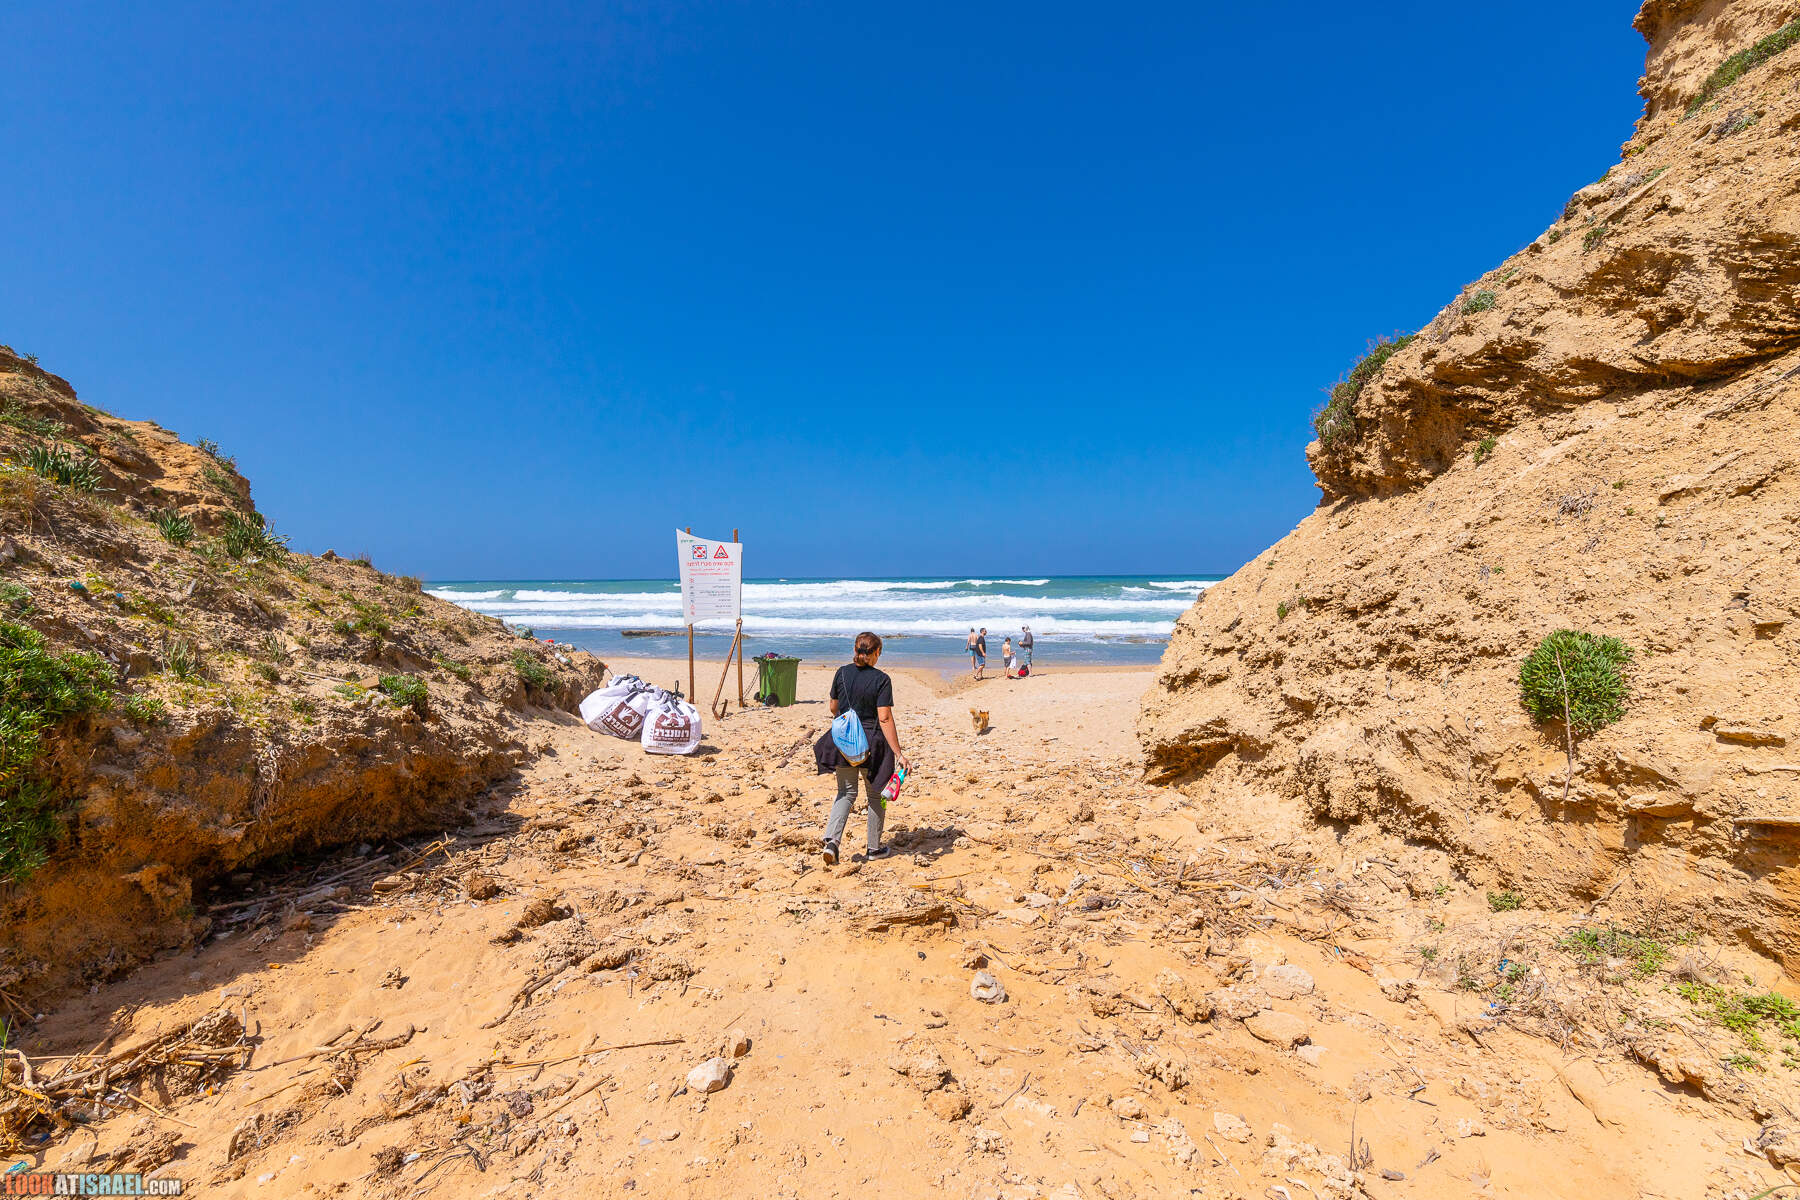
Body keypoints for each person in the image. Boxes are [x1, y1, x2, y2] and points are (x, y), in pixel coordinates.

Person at [819, 631, 910, 865]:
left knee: (846, 793)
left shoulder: (841, 673)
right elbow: (885, 718)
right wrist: (898, 754)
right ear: (877, 653)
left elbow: (833, 707)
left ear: (855, 650)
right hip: (872, 744)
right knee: (877, 796)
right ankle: (874, 848)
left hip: (844, 743)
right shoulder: (882, 680)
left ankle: (832, 842)